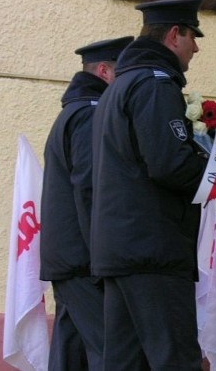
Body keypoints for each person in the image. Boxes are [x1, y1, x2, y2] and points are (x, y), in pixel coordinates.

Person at [90, 0, 209, 370]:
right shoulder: (156, 84)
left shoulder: (119, 86)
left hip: (121, 249)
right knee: (176, 360)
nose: (196, 47)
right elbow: (170, 165)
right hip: (154, 250)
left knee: (124, 363)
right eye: (193, 36)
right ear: (175, 35)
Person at [40, 35, 134, 371]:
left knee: (71, 355)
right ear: (106, 72)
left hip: (68, 258)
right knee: (112, 353)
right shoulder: (91, 116)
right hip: (83, 261)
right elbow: (92, 189)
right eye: (123, 72)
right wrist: (103, 257)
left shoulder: (74, 112)